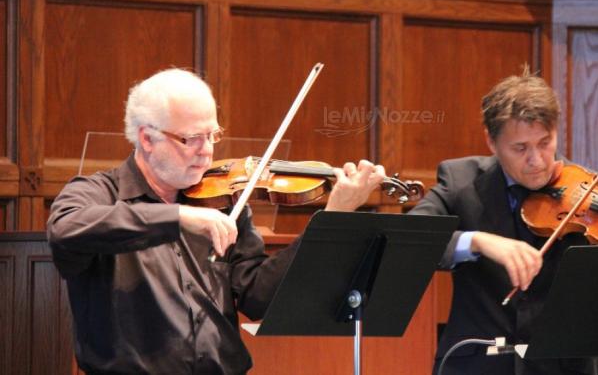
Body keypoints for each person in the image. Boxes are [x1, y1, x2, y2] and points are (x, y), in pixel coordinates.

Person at [47, 68, 386, 375]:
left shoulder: (223, 202)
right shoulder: (98, 193)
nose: (207, 151)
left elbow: (259, 298)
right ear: (147, 138)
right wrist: (177, 217)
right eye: (192, 139)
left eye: (213, 135)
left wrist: (332, 216)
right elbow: (66, 229)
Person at [410, 69, 598, 375]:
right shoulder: (460, 181)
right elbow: (412, 241)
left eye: (545, 142)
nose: (538, 160)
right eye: (520, 148)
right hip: (475, 366)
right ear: (491, 141)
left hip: (563, 368)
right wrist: (477, 241)